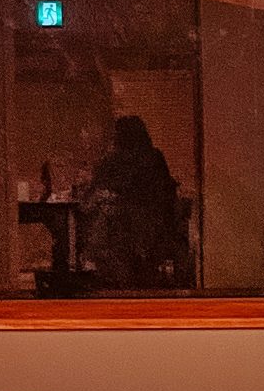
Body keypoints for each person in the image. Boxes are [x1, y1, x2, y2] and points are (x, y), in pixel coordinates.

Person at [81, 114, 189, 289]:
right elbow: (167, 193)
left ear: (118, 137)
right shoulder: (154, 157)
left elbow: (88, 201)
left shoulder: (112, 162)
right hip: (154, 231)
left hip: (122, 233)